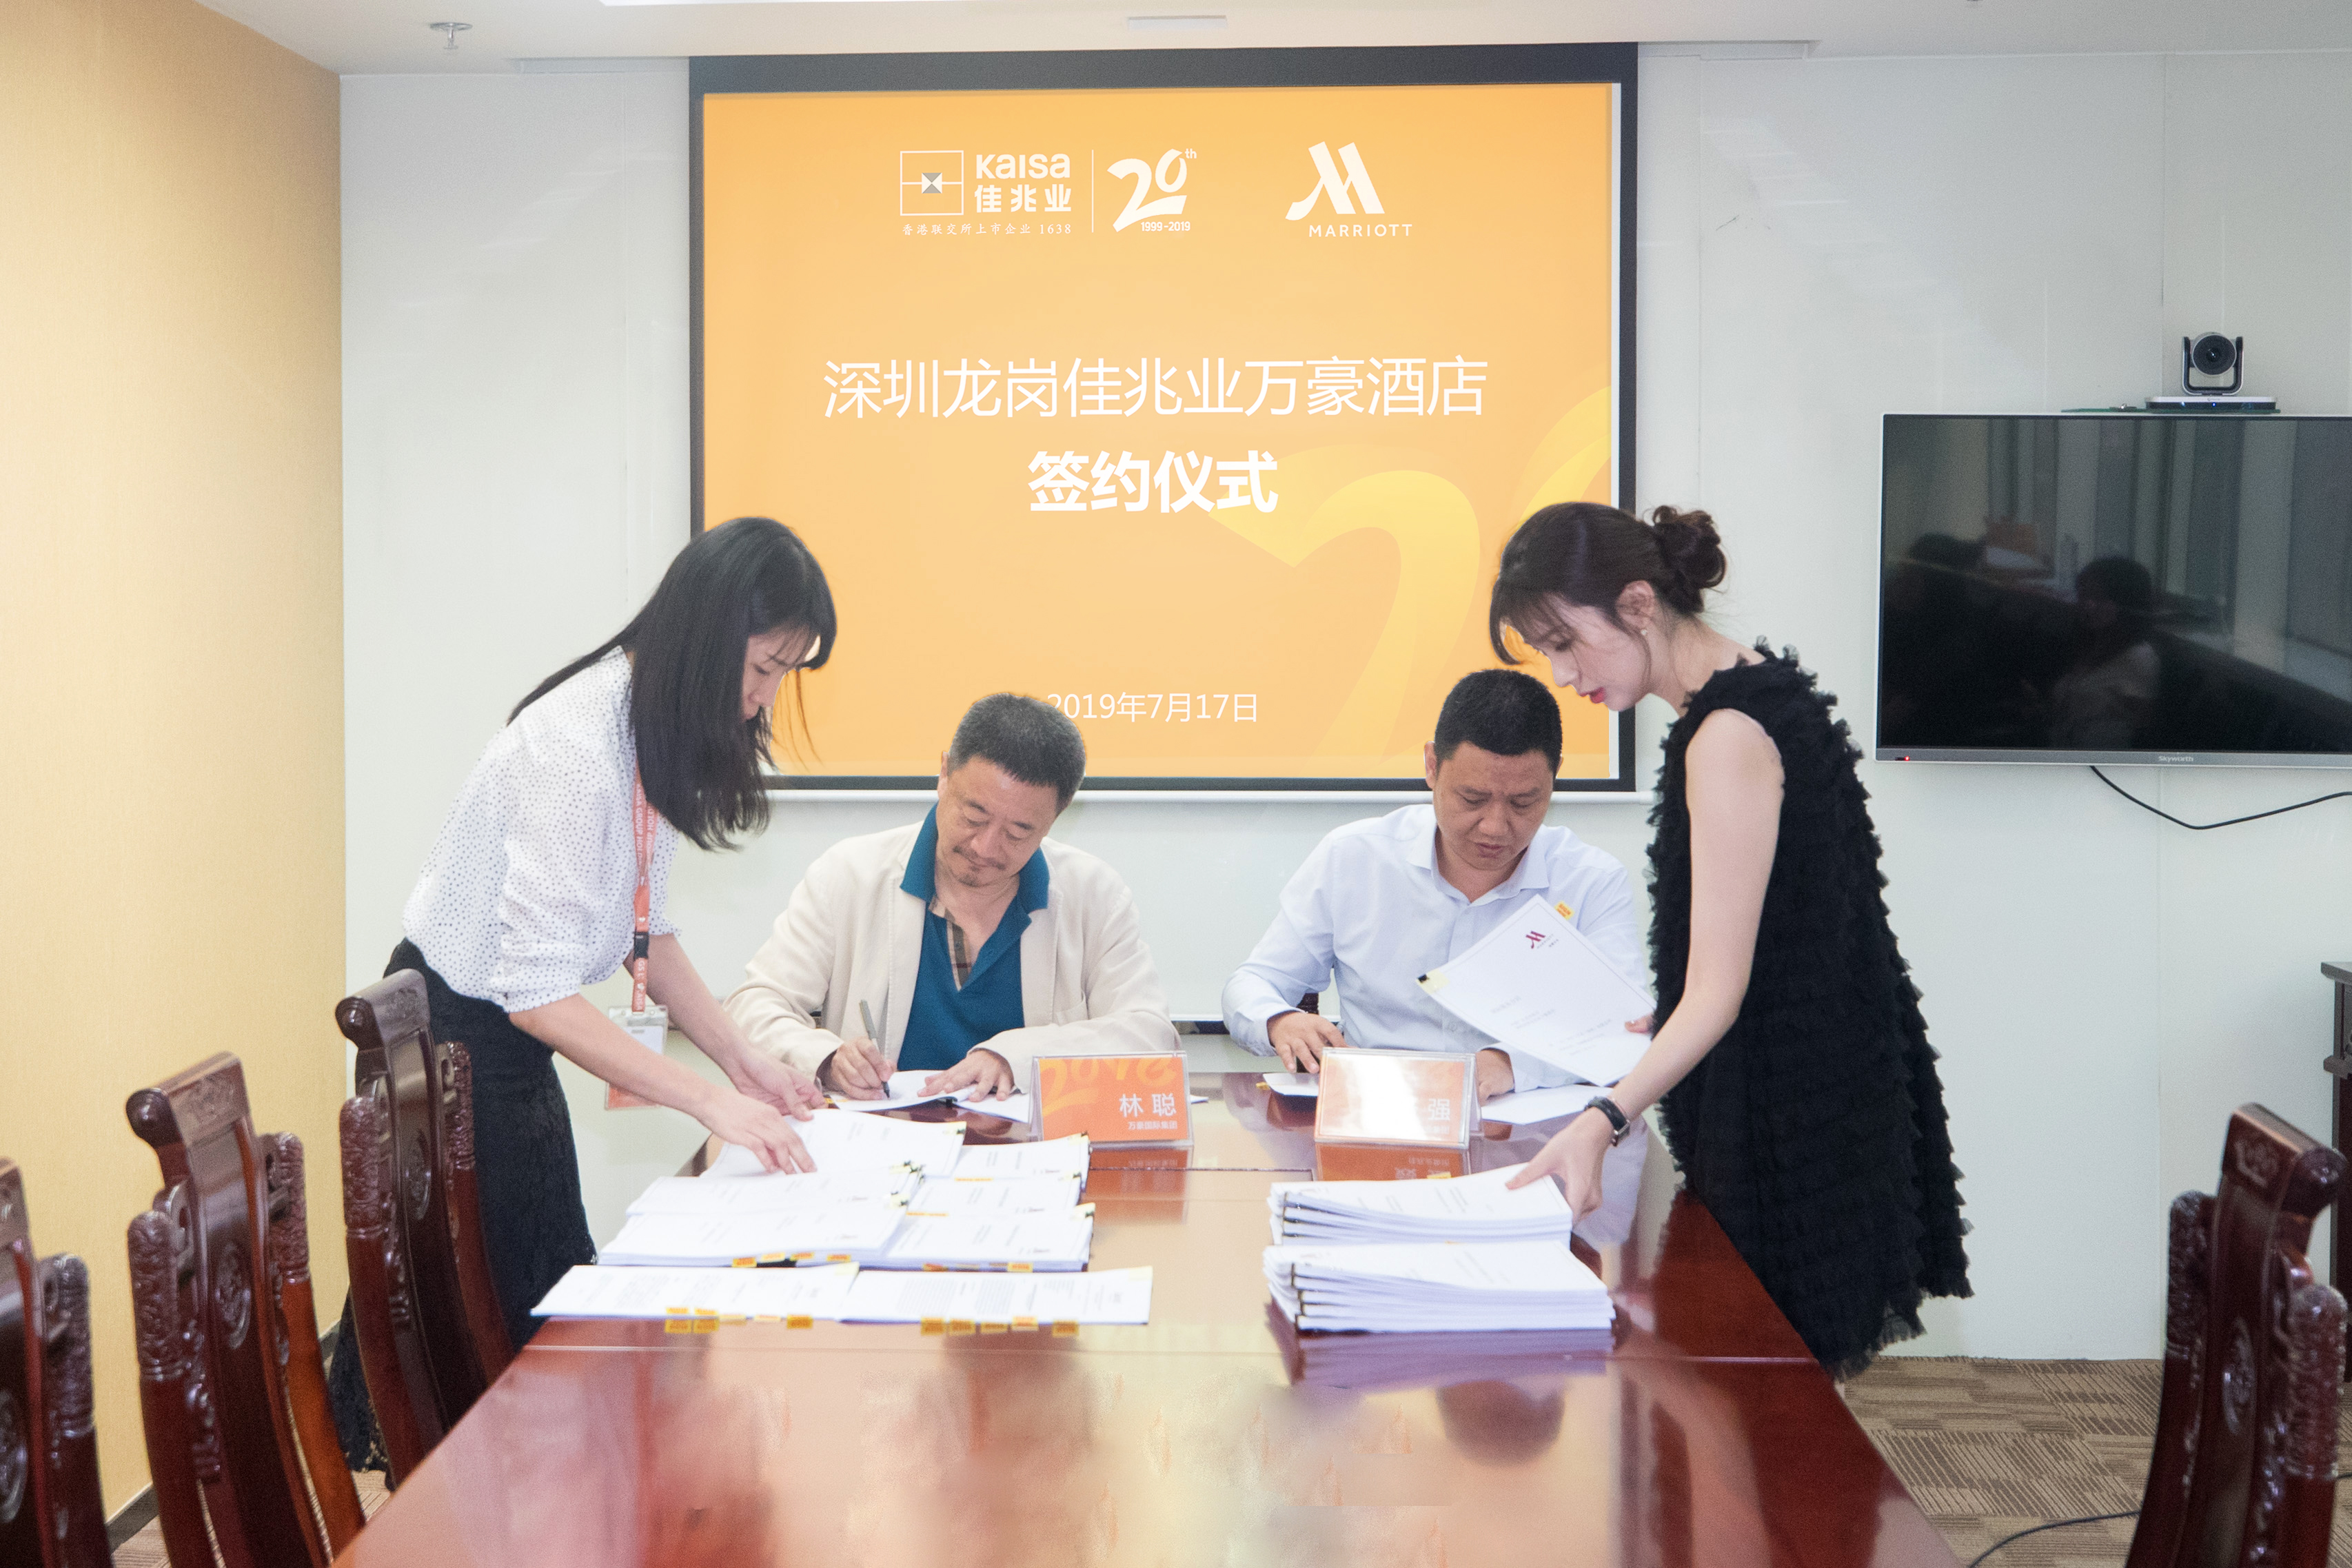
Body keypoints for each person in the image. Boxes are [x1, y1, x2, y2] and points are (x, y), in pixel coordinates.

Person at [329, 516, 836, 1467]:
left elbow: (652, 930)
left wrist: (746, 1062)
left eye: (783, 673)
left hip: (503, 1037)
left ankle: (504, 1491)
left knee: (544, 1315)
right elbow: (534, 994)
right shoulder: (572, 745)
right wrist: (709, 1101)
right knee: (522, 1330)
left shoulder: (647, 727)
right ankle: (475, 1498)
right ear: (709, 633)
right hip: (459, 1040)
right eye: (764, 666)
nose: (765, 697)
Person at [1490, 500, 1969, 1376]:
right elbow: (1786, 927)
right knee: (1761, 1399)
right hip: (1818, 1069)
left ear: (1637, 604)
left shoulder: (1726, 734)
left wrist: (1602, 1117)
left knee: (1756, 1403)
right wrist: (1678, 1007)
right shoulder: (1756, 695)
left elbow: (1722, 990)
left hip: (1788, 1107)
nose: (1561, 674)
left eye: (1565, 642)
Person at [1221, 669, 1645, 1105]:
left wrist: (1512, 1065)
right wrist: (1279, 1021)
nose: (1495, 826)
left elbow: (1625, 1026)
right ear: (1431, 765)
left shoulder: (1590, 881)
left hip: (1526, 1120)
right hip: (1379, 1111)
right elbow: (1252, 983)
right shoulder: (1354, 858)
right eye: (1472, 799)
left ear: (1555, 777)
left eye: (1524, 802)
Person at [726, 694, 1176, 1097]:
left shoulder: (1094, 895)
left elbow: (1150, 1033)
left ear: (1055, 818)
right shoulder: (849, 875)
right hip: (881, 1144)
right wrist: (824, 1058)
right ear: (944, 773)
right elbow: (753, 1006)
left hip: (1032, 1149)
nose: (985, 847)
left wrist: (1016, 1057)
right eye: (973, 816)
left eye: (1019, 832)